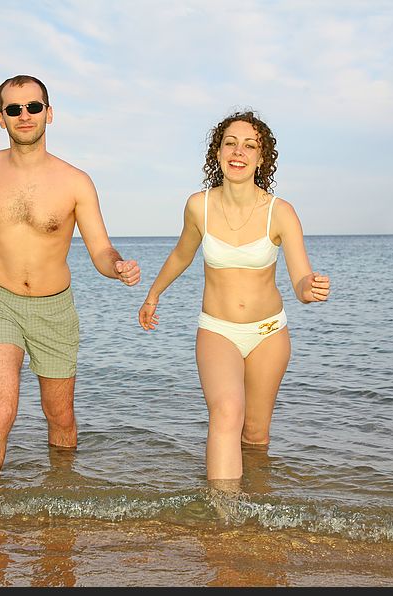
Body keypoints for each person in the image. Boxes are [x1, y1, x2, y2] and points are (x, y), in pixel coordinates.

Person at [0, 74, 140, 479]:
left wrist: (116, 267)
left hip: (54, 308)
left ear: (49, 113)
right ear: (1, 118)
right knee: (2, 406)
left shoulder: (75, 181)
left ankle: (59, 506)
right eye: (14, 109)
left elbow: (100, 248)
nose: (24, 115)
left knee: (61, 417)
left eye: (33, 107)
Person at [138, 110, 330, 481]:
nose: (238, 152)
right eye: (230, 143)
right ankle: (223, 517)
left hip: (269, 333)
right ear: (218, 152)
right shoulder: (199, 206)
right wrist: (153, 295)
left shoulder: (281, 212)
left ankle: (252, 518)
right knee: (227, 412)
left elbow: (300, 277)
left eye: (249, 145)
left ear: (262, 158)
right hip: (217, 330)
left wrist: (310, 289)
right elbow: (182, 253)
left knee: (255, 435)